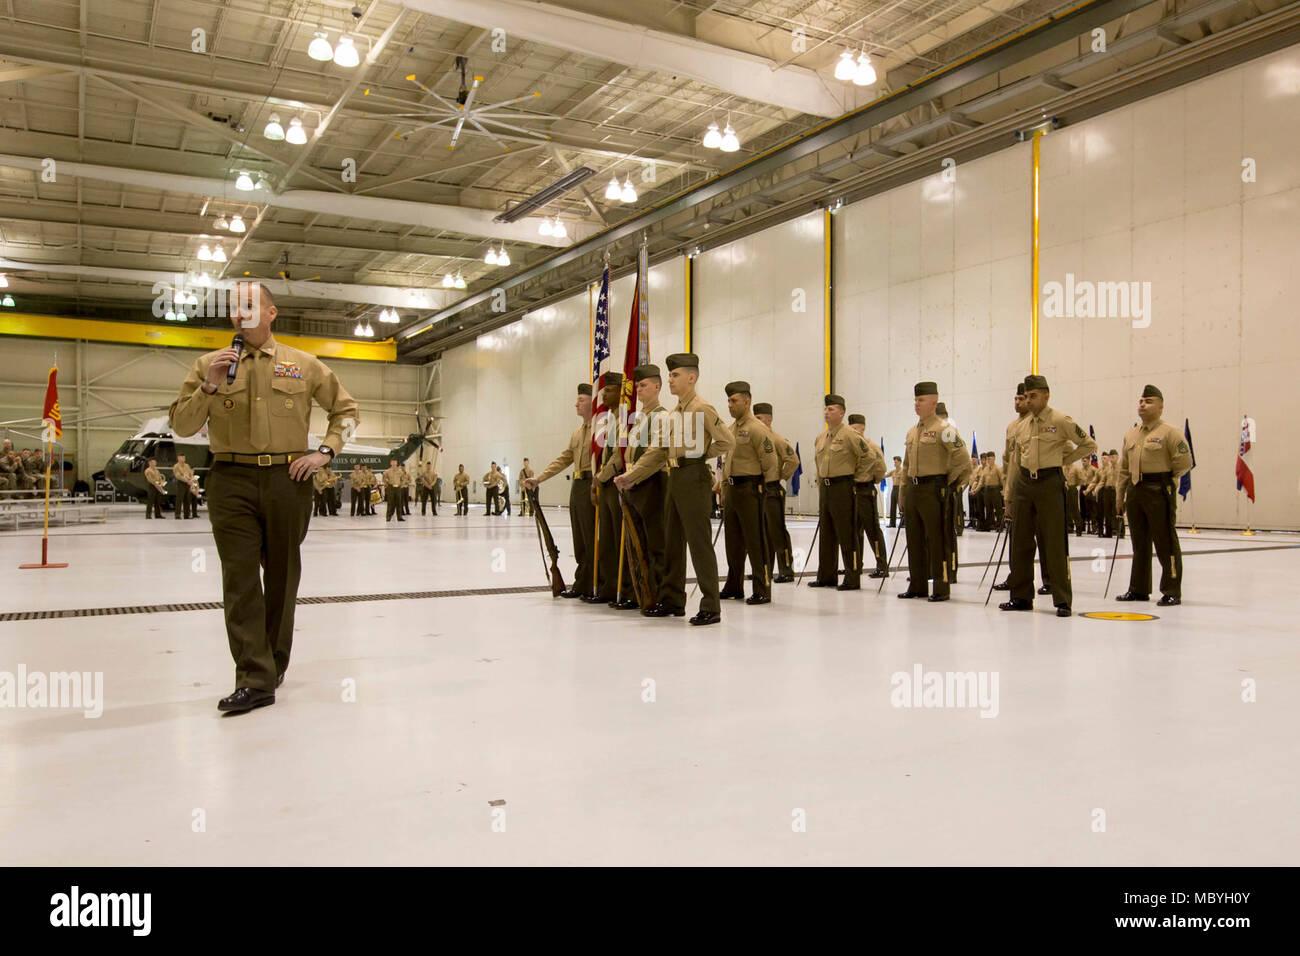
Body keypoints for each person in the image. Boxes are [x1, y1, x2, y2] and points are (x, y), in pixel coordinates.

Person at [169, 280, 358, 713]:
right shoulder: (207, 365)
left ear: (271, 313)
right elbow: (181, 424)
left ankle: (273, 661)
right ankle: (255, 677)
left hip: (286, 480)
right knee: (239, 581)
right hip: (230, 479)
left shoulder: (304, 365)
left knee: (281, 577)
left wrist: (325, 452)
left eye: (251, 305)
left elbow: (346, 411)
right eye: (235, 307)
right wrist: (211, 386)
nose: (241, 313)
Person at [615, 353, 734, 626]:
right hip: (674, 477)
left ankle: (710, 606)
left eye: (675, 375)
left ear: (691, 378)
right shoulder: (674, 413)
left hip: (693, 477)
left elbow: (726, 441)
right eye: (669, 375)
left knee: (699, 544)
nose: (670, 379)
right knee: (672, 544)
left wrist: (701, 454)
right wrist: (631, 476)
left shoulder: (701, 408)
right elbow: (657, 452)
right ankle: (673, 601)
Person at [1000, 374, 1096, 617]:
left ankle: (1062, 600)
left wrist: (1064, 460)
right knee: (1020, 543)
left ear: (1046, 395)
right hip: (1023, 484)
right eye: (1026, 397)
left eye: (1033, 396)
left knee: (1054, 543)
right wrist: (1009, 496)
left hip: (1050, 483)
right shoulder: (1020, 426)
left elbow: (1088, 445)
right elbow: (1014, 462)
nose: (1029, 401)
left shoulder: (1060, 420)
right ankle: (1020, 596)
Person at [1116, 385, 1194, 606]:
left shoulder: (1170, 432)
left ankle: (1171, 590)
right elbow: (1123, 468)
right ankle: (1138, 589)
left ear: (1160, 407)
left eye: (1148, 401)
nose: (1143, 404)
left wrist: (1168, 477)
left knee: (1165, 541)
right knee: (1139, 543)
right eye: (1141, 401)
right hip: (1135, 489)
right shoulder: (1131, 434)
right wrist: (1119, 496)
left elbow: (1185, 461)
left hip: (1158, 489)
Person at [898, 383, 971, 602]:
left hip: (934, 489)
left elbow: (963, 458)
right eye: (915, 400)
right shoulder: (912, 432)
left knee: (938, 539)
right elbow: (906, 464)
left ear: (933, 402)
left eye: (921, 400)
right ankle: (917, 585)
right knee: (915, 538)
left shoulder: (944, 429)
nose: (916, 404)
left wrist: (948, 481)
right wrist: (903, 490)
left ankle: (941, 586)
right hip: (914, 488)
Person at [524, 384, 596, 598]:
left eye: (581, 399)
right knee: (579, 538)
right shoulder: (577, 433)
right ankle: (582, 582)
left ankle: (594, 583)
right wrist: (539, 478)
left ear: (593, 402)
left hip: (592, 484)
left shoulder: (600, 430)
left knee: (591, 536)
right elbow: (564, 459)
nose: (576, 403)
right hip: (577, 486)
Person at [718, 381, 778, 605]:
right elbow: (727, 462)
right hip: (733, 488)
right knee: (733, 541)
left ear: (747, 401)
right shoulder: (731, 429)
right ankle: (734, 585)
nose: (730, 405)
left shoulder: (757, 429)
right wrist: (725, 488)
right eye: (728, 401)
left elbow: (770, 462)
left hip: (751, 487)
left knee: (756, 540)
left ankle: (762, 588)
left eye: (734, 401)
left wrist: (763, 488)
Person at [808, 395, 873, 591]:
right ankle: (826, 576)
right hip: (826, 488)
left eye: (832, 409)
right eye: (826, 409)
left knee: (847, 533)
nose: (827, 412)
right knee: (826, 534)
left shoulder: (850, 434)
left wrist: (857, 479)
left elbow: (868, 457)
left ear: (842, 412)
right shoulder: (821, 437)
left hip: (843, 487)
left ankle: (852, 577)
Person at [620, 365, 669, 611]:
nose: (638, 390)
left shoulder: (662, 416)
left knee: (655, 543)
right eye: (637, 385)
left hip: (652, 483)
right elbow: (631, 452)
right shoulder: (639, 419)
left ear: (657, 387)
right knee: (638, 542)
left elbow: (656, 454)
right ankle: (642, 591)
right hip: (635, 484)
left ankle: (659, 594)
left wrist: (632, 476)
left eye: (644, 385)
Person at [592, 374, 637, 608]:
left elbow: (619, 456)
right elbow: (603, 454)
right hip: (606, 485)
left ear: (621, 391)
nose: (603, 395)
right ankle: (610, 586)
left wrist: (602, 476)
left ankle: (627, 588)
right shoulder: (608, 420)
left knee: (621, 540)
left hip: (617, 484)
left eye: (608, 390)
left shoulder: (626, 419)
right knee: (608, 541)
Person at [753, 402, 798, 583]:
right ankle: (767, 569)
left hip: (772, 489)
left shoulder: (777, 439)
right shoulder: (755, 438)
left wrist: (780, 476)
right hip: (758, 488)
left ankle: (786, 569)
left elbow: (793, 460)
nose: (756, 422)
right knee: (763, 532)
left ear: (769, 419)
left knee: (777, 531)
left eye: (759, 418)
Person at [847, 413, 890, 578]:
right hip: (852, 491)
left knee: (872, 530)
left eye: (854, 428)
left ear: (862, 428)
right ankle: (856, 564)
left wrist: (872, 480)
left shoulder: (871, 445)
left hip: (865, 489)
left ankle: (882, 565)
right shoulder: (850, 445)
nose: (852, 431)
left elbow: (881, 467)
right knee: (854, 531)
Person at [173, 453, 198, 519]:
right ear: (178, 458)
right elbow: (178, 476)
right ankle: (177, 514)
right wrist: (187, 481)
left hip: (188, 483)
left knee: (187, 499)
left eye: (184, 457)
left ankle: (187, 515)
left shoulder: (187, 465)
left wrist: (191, 480)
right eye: (182, 457)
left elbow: (190, 473)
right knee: (179, 499)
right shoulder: (176, 466)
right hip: (181, 483)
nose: (183, 459)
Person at [886, 456, 903, 527]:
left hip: (900, 488)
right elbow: (885, 476)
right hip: (894, 488)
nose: (894, 464)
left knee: (901, 506)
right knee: (892, 506)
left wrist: (901, 492)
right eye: (894, 462)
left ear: (900, 462)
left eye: (896, 462)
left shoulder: (902, 471)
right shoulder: (893, 471)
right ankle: (892, 523)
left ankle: (903, 523)